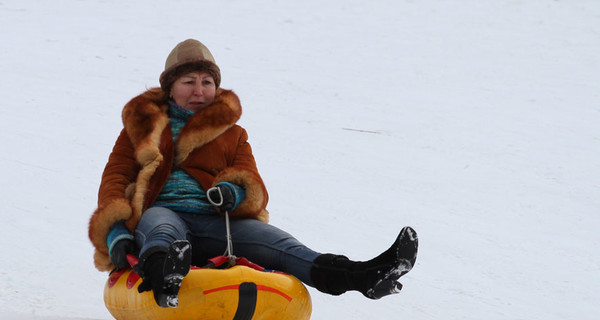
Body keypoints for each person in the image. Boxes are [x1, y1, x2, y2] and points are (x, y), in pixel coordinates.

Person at [88, 39, 418, 308]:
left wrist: (235, 191)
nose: (199, 91)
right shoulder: (141, 129)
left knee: (281, 244)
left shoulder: (233, 133)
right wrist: (115, 231)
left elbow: (252, 181)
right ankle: (164, 278)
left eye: (207, 82)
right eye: (188, 82)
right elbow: (115, 179)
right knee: (163, 227)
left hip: (218, 223)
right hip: (161, 214)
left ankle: (362, 276)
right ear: (170, 88)